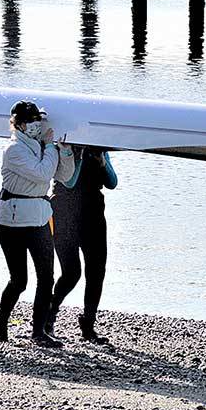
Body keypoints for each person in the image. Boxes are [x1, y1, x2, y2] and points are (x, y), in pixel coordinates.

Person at [0, 100, 74, 348]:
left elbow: (65, 176)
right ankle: (1, 325)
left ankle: (39, 331)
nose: (35, 126)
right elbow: (42, 173)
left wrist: (66, 151)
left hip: (39, 218)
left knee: (46, 277)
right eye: (30, 122)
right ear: (17, 124)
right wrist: (51, 147)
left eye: (37, 121)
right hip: (12, 221)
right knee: (19, 280)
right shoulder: (14, 150)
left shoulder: (42, 147)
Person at [48, 146, 118, 344]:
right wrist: (78, 154)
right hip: (64, 211)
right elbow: (69, 182)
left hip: (93, 212)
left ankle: (88, 324)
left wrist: (102, 162)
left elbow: (112, 183)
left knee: (96, 271)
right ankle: (49, 316)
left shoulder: (100, 149)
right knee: (71, 273)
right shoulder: (60, 147)